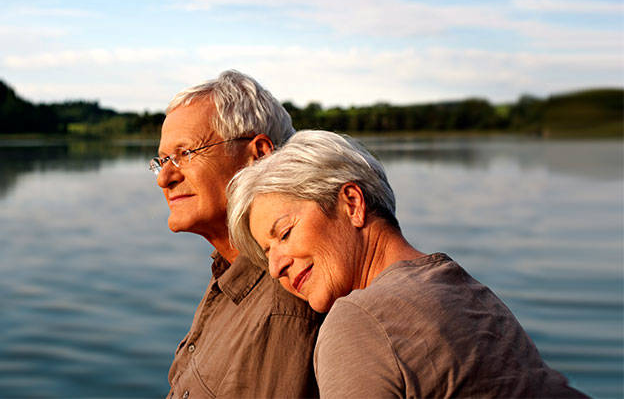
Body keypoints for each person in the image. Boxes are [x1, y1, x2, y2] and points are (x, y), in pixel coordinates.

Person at [227, 130, 585, 398]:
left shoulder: (359, 320)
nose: (274, 267)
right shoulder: (472, 294)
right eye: (267, 252)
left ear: (352, 203)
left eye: (284, 233)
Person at [156, 70, 321, 398]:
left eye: (185, 154)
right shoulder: (228, 270)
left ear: (258, 155)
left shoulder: (284, 304)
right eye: (161, 161)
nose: (164, 178)